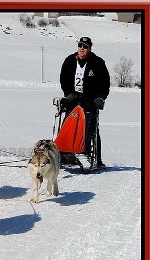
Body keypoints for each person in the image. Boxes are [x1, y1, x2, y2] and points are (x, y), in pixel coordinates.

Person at [59, 36, 110, 169]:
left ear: (90, 48)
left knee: (90, 125)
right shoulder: (70, 60)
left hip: (90, 99)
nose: (82, 48)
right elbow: (63, 78)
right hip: (73, 98)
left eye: (85, 46)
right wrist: (68, 94)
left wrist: (101, 97)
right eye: (80, 45)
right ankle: (64, 152)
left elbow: (105, 83)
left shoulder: (97, 62)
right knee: (68, 122)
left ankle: (90, 155)